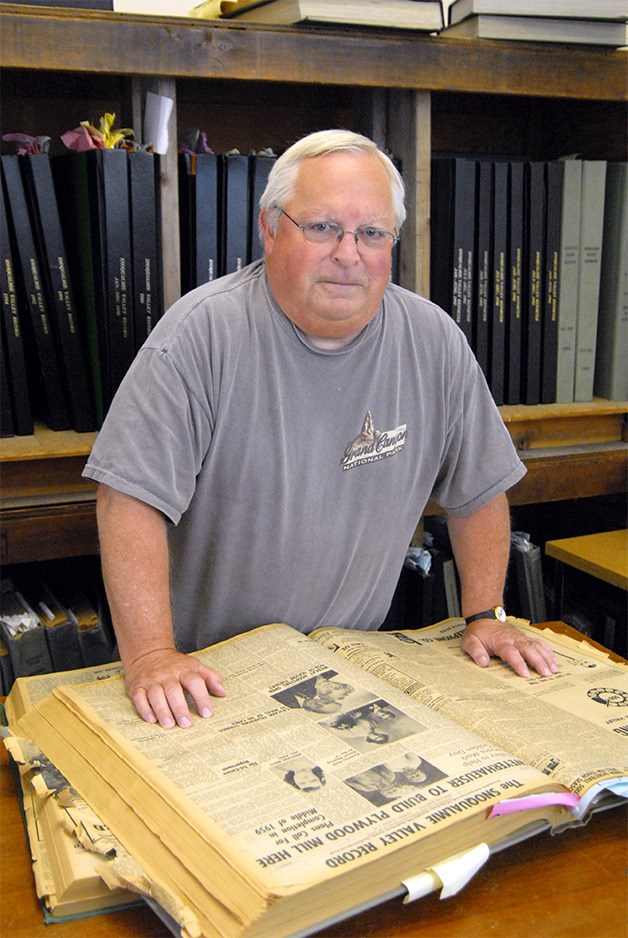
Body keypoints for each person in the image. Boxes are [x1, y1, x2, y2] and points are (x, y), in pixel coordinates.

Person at [84, 128, 558, 730]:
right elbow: (127, 499)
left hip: (349, 667)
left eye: (371, 233)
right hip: (207, 679)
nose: (348, 253)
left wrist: (485, 614)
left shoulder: (434, 340)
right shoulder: (200, 336)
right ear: (270, 228)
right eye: (323, 227)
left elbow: (480, 490)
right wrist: (152, 656)